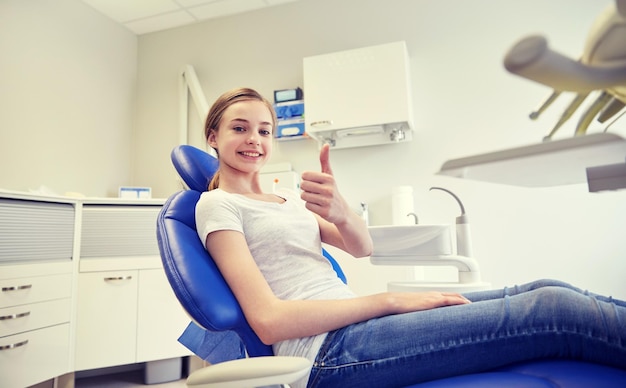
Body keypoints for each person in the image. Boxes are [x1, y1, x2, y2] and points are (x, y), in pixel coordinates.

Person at [195, 87, 626, 388]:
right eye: (239, 128)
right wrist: (389, 300)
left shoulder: (286, 197)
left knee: (544, 289)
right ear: (213, 137)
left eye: (264, 130)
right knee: (552, 310)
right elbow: (268, 321)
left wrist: (342, 210)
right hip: (330, 353)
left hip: (358, 326)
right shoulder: (217, 206)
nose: (254, 139)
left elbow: (361, 247)